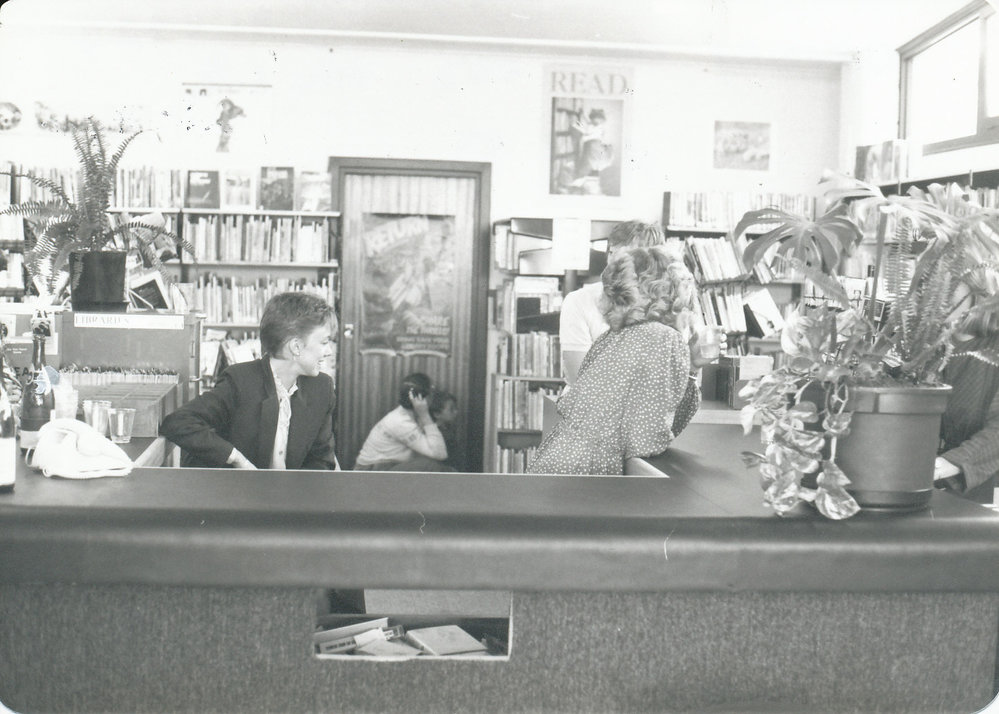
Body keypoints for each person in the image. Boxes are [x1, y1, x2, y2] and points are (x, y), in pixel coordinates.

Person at [528, 245, 712, 476]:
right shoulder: (665, 339)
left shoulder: (611, 337)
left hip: (556, 460)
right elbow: (645, 441)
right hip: (594, 472)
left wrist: (692, 365)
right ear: (667, 292)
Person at [160, 291, 339, 470]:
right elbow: (178, 422)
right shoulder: (240, 381)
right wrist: (236, 458)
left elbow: (321, 461)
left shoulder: (322, 388)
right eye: (324, 342)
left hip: (292, 488)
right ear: (295, 346)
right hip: (237, 487)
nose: (329, 352)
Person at [559, 220, 666, 384]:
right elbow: (579, 380)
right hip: (590, 399)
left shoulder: (667, 303)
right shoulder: (578, 301)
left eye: (630, 256)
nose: (615, 262)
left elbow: (672, 379)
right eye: (611, 252)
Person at [933, 297, 999, 502]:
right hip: (925, 476)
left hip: (982, 483)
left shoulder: (994, 348)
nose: (944, 292)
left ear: (978, 291)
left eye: (954, 283)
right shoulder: (929, 345)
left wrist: (947, 464)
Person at [353, 372, 451, 472]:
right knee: (429, 466)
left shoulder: (411, 414)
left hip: (386, 466)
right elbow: (440, 454)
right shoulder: (400, 422)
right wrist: (425, 415)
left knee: (444, 469)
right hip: (371, 470)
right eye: (431, 393)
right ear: (420, 398)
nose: (433, 397)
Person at [429, 389, 460, 469]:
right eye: (451, 409)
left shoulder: (447, 430)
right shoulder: (438, 435)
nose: (456, 412)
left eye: (456, 408)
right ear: (437, 414)